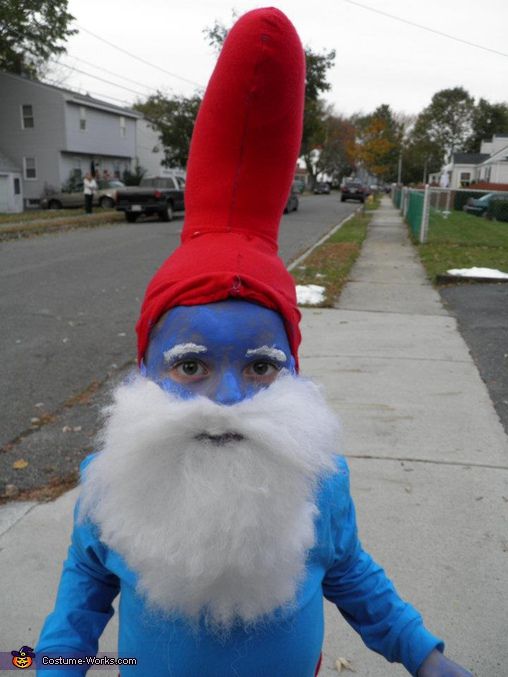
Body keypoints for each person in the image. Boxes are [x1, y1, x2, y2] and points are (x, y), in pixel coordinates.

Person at [36, 9, 472, 677]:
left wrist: (425, 654)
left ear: (295, 371)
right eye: (190, 365)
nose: (228, 398)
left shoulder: (316, 482)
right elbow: (73, 621)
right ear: (144, 371)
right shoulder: (110, 488)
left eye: (263, 365)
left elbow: (353, 575)